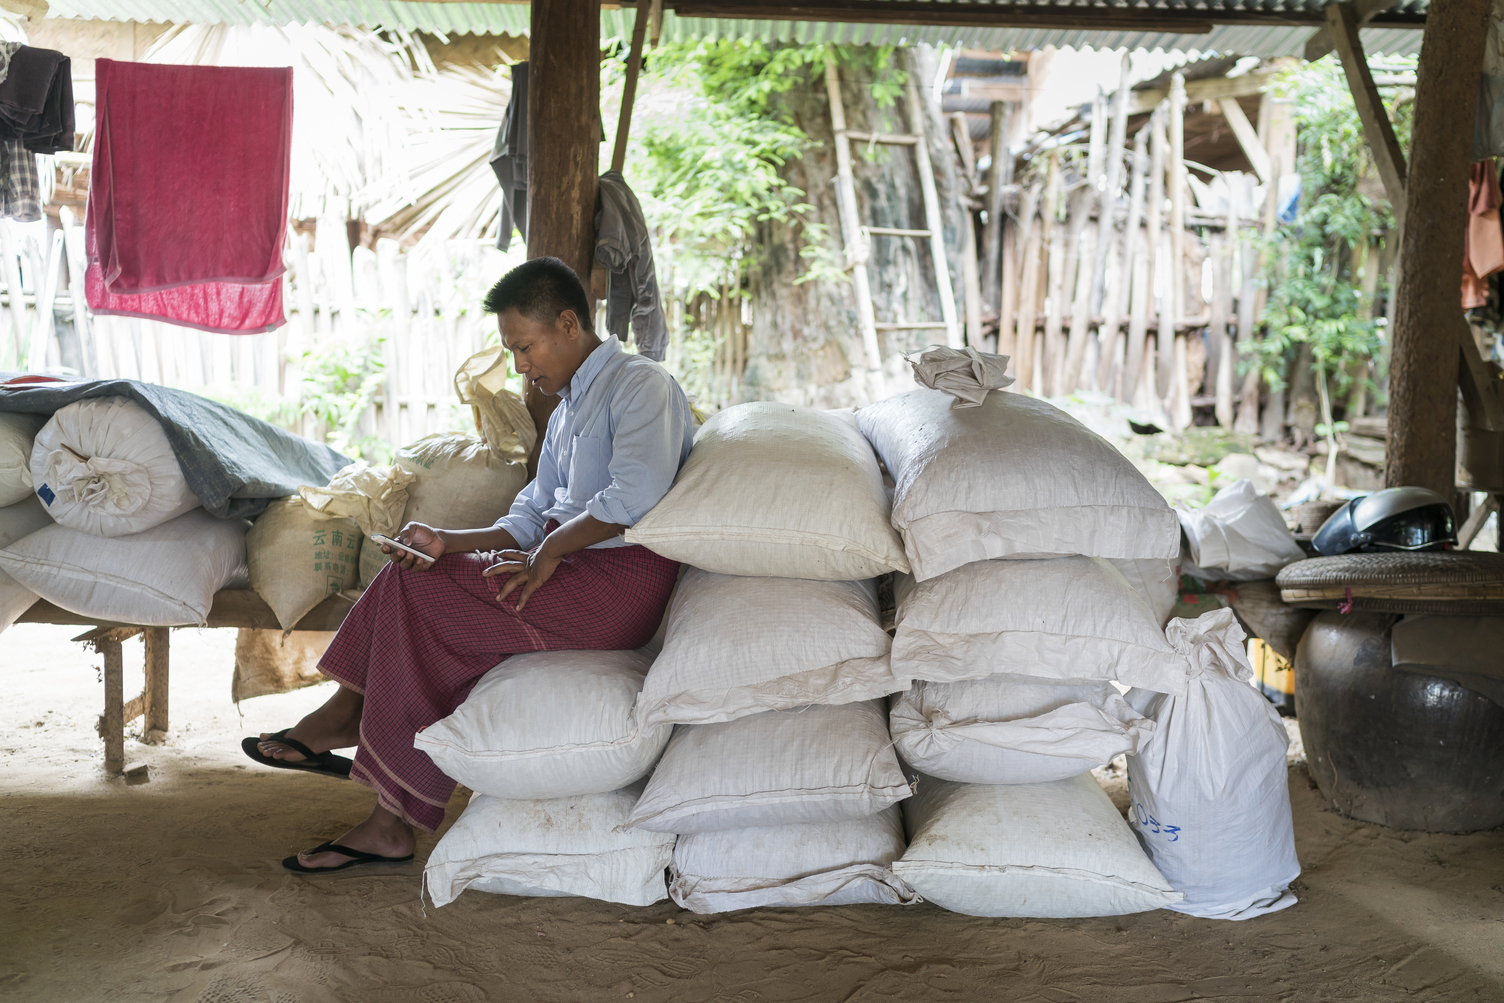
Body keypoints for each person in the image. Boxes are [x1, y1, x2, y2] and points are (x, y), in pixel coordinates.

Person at [243, 256, 694, 873]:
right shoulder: (565, 411)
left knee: (426, 601)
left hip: (617, 584)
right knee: (413, 571)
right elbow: (530, 515)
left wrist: (546, 554)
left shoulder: (640, 387)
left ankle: (375, 789)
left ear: (568, 323)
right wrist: (448, 542)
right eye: (512, 351)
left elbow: (633, 501)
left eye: (525, 347)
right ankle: (357, 740)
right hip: (563, 566)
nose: (519, 366)